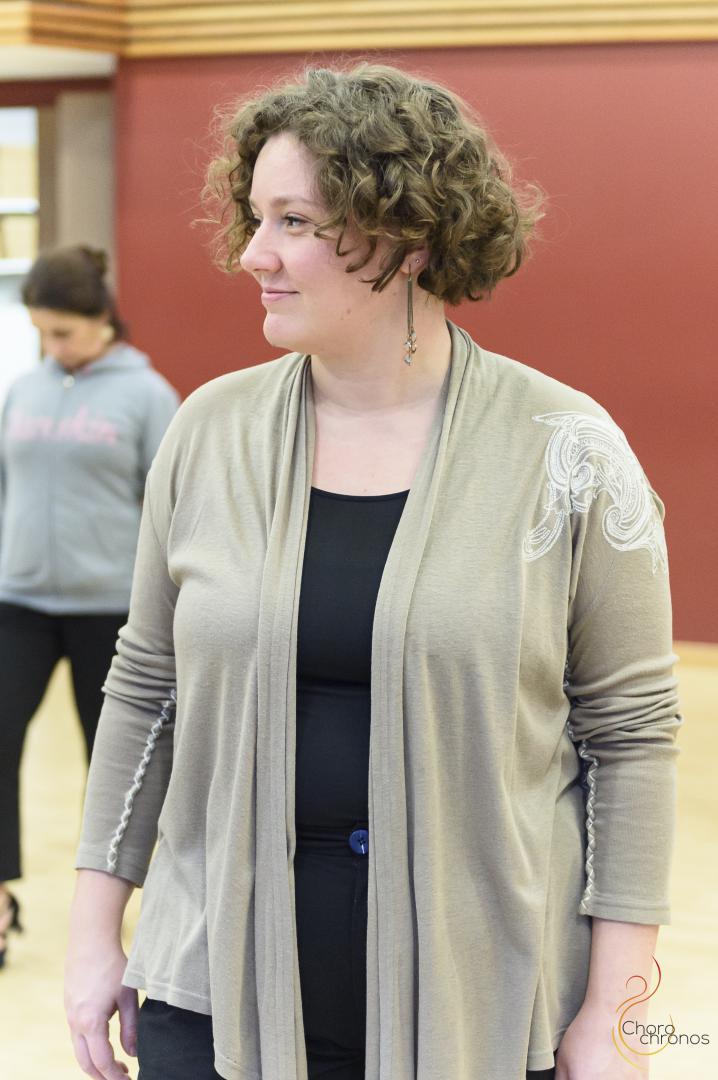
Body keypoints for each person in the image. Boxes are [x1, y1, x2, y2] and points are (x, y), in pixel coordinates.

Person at [64, 65, 681, 1080]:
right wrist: (96, 933)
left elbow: (630, 737)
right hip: (210, 993)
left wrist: (619, 1014)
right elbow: (146, 690)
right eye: (255, 217)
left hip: (482, 1008)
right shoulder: (208, 432)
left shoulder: (567, 451)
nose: (253, 253)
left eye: (295, 222)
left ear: (408, 239)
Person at [0, 245, 179, 968]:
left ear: (101, 318)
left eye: (64, 332)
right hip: (18, 601)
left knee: (114, 762)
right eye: (42, 333)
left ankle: (124, 912)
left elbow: (171, 512)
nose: (53, 346)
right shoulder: (24, 390)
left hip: (111, 611)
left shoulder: (148, 396)